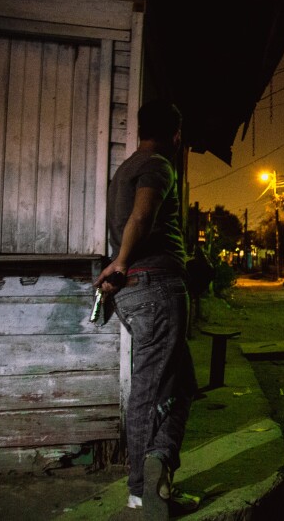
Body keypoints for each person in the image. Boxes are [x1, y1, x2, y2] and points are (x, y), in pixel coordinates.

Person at [94, 100, 197, 519]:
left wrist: (120, 263)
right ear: (175, 136)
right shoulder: (158, 165)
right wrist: (121, 261)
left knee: (182, 382)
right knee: (149, 390)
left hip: (137, 290)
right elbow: (142, 216)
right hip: (154, 286)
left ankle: (158, 468)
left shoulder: (124, 169)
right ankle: (141, 492)